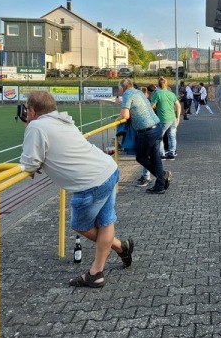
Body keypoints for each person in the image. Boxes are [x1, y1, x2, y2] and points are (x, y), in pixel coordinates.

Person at [18, 91, 134, 288]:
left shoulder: (36, 126)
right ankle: (113, 255)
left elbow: (30, 162)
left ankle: (107, 260)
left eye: (28, 111)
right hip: (108, 169)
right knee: (106, 222)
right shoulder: (63, 120)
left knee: (81, 225)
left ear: (32, 111)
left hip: (90, 183)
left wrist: (30, 129)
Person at [119, 78, 171, 194]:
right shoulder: (138, 92)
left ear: (123, 88)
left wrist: (122, 109)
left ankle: (162, 176)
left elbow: (125, 115)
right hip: (157, 128)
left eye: (120, 90)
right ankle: (160, 186)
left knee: (141, 157)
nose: (120, 92)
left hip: (147, 132)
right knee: (155, 157)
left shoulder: (127, 94)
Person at [150, 77, 181, 160]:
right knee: (172, 136)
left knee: (159, 137)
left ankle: (162, 154)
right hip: (173, 119)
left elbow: (152, 106)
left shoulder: (157, 94)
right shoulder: (171, 94)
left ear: (158, 85)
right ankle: (172, 153)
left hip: (163, 119)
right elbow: (178, 106)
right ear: (166, 84)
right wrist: (178, 117)